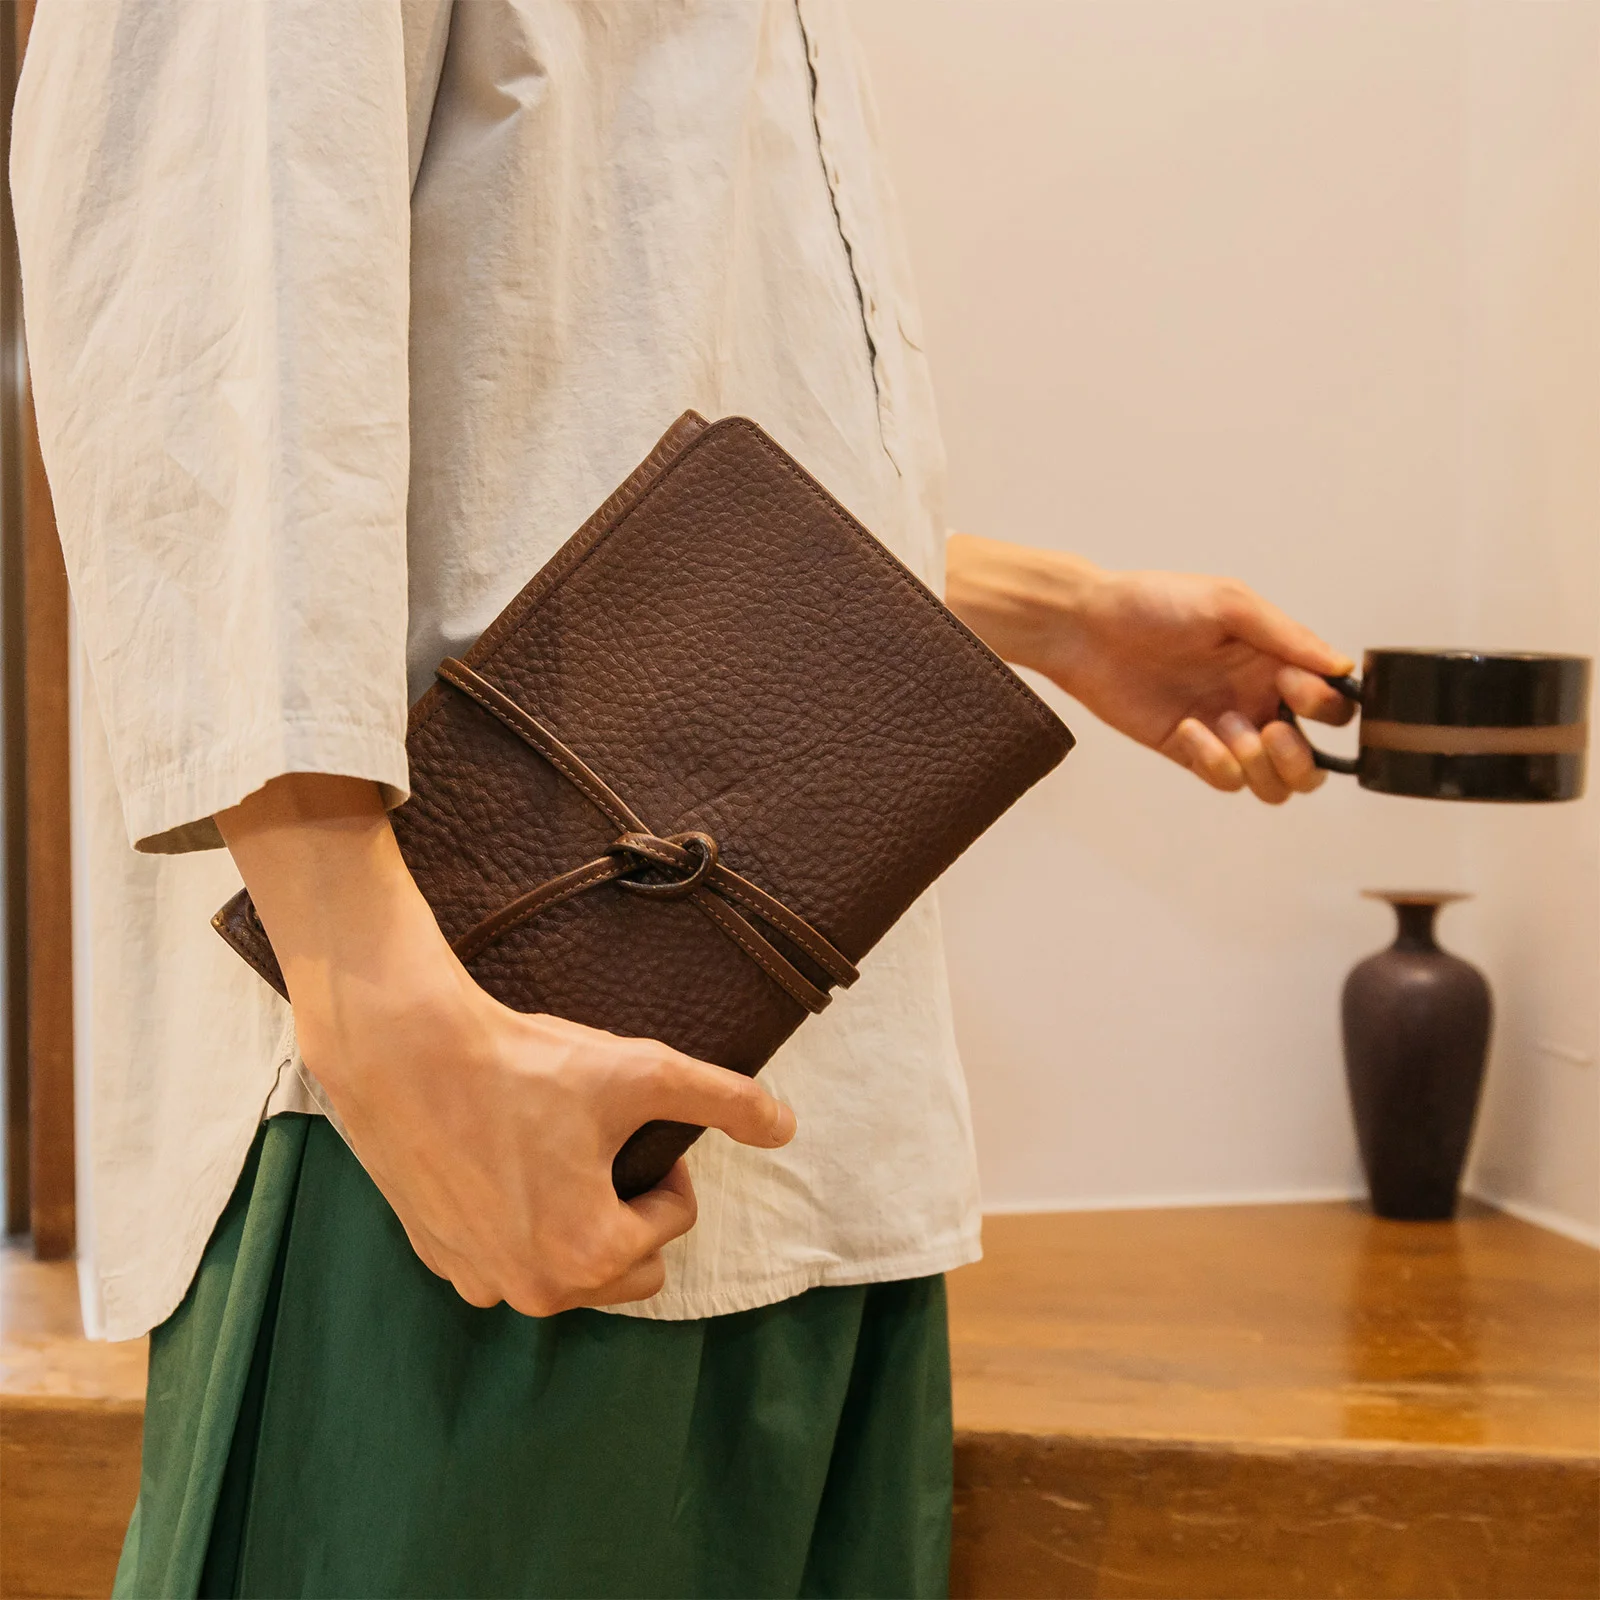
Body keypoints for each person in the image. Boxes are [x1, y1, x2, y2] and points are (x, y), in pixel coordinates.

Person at [12, 4, 1354, 1596]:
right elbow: (204, 319)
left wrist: (1047, 614)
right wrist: (380, 1015)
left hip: (803, 1148)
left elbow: (587, 414)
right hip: (465, 1131)